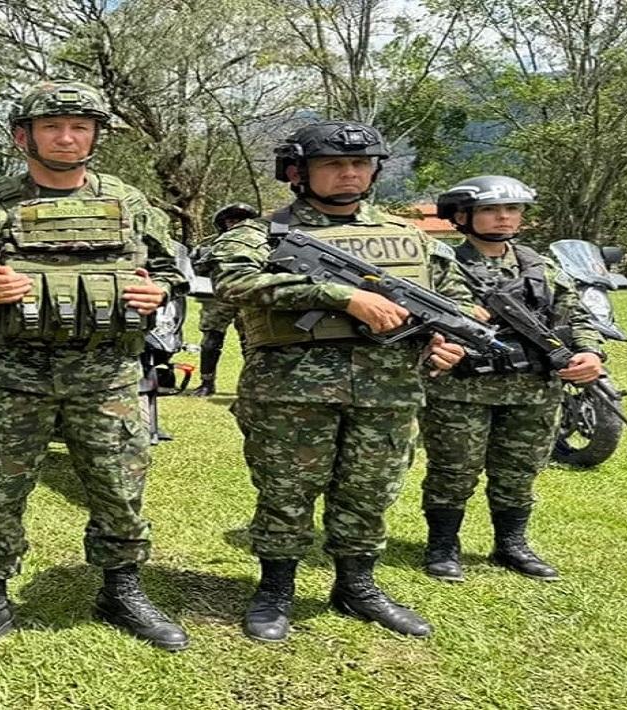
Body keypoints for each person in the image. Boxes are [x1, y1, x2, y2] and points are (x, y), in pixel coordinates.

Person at [0, 80, 190, 661]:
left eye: (80, 127)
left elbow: (174, 272)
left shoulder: (129, 200)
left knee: (119, 488)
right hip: (15, 376)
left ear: (95, 135)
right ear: (24, 137)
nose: (67, 137)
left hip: (109, 375)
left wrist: (157, 290)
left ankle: (121, 590)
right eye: (52, 127)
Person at [207, 120, 473, 643]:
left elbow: (458, 298)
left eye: (360, 164)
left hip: (389, 393)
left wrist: (451, 341)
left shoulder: (408, 237)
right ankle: (275, 590)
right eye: (333, 164)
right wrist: (340, 295)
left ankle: (358, 587)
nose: (349, 173)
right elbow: (234, 280)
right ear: (297, 173)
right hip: (290, 393)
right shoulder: (260, 233)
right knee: (286, 492)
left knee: (370, 492)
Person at [420, 175, 605, 583]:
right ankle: (443, 547)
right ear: (463, 216)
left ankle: (512, 545)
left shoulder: (541, 266)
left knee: (519, 471)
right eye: (491, 210)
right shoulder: (441, 265)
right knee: (453, 471)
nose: (504, 217)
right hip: (461, 390)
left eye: (512, 209)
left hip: (534, 391)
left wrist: (591, 352)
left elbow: (577, 317)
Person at [188, 202, 259, 396]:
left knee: (252, 342)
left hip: (249, 296)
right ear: (223, 223)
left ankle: (252, 386)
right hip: (217, 298)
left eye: (242, 220)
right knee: (210, 342)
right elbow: (196, 267)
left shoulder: (262, 240)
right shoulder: (213, 243)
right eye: (232, 220)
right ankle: (206, 383)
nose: (237, 224)